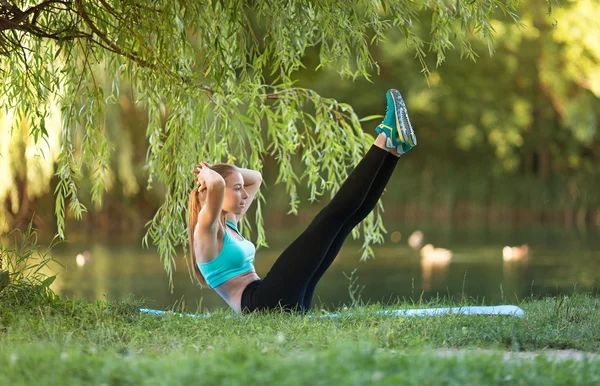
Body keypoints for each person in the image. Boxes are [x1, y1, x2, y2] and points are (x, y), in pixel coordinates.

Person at [188, 89, 417, 314]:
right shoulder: (206, 230)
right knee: (330, 218)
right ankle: (385, 138)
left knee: (345, 221)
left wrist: (229, 174)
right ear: (213, 191)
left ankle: (393, 150)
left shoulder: (229, 222)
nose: (245, 194)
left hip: (281, 299)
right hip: (261, 304)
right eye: (237, 189)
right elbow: (217, 186)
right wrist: (208, 175)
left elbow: (255, 178)